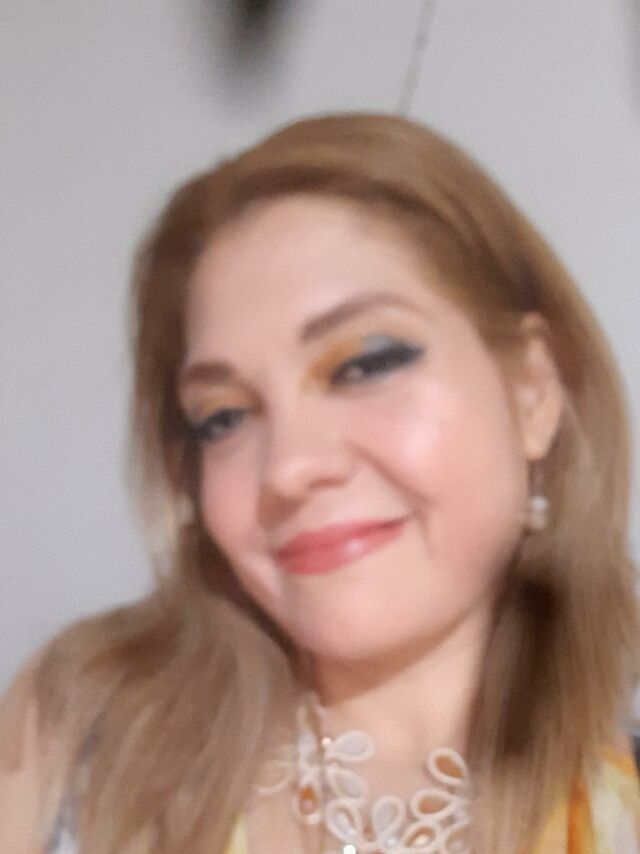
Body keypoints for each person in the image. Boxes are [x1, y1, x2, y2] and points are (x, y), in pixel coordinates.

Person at [1, 112, 639, 854]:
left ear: (532, 390)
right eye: (223, 417)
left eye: (365, 364)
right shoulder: (84, 731)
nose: (287, 468)